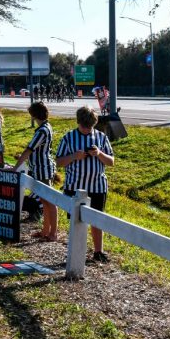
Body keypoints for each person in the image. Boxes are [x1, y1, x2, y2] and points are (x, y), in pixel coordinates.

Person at [56, 105, 114, 262]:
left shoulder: (102, 138)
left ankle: (98, 251)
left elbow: (111, 162)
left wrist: (99, 153)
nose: (87, 129)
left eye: (90, 126)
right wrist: (74, 156)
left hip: (97, 187)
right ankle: (75, 251)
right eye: (84, 126)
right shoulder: (68, 138)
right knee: (76, 220)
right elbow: (59, 162)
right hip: (75, 186)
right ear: (78, 122)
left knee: (97, 220)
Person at [11, 102, 58, 241]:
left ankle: (53, 233)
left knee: (49, 202)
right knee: (44, 201)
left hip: (43, 169)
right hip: (40, 169)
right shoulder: (46, 127)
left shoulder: (42, 130)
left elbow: (29, 149)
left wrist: (16, 167)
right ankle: (45, 231)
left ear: (34, 115)